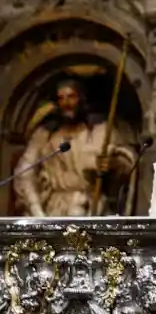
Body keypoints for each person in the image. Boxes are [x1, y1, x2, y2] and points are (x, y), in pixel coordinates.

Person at [15, 77, 135, 217]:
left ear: (82, 100)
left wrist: (113, 164)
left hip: (91, 207)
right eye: (61, 98)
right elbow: (25, 172)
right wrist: (36, 208)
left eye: (71, 97)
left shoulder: (100, 131)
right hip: (53, 209)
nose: (66, 103)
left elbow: (128, 163)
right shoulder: (44, 135)